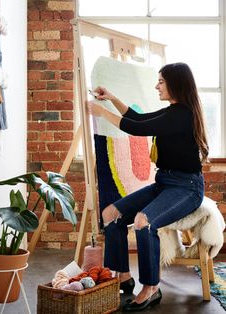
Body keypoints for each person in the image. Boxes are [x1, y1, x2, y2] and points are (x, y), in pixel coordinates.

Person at [86, 62, 208, 312]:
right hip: (164, 183)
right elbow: (138, 117)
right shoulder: (172, 111)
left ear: (176, 84)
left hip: (187, 188)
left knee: (144, 221)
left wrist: (101, 112)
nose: (156, 86)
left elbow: (136, 128)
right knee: (110, 215)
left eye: (161, 82)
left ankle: (151, 287)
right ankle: (122, 276)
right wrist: (111, 99)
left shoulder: (182, 115)